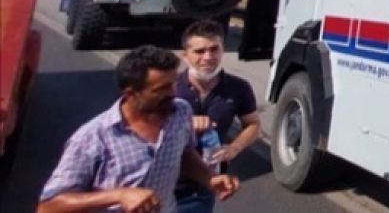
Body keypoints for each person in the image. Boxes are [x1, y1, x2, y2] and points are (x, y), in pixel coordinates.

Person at [38, 45, 239, 213]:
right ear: (130, 93)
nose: (172, 93)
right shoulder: (93, 137)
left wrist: (210, 178)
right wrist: (119, 195)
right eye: (160, 89)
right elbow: (49, 206)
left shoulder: (180, 111)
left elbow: (184, 153)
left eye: (173, 84)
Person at [173, 20, 261, 212]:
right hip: (166, 181)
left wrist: (235, 148)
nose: (208, 57)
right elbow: (142, 128)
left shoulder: (239, 87)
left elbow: (253, 124)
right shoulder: (169, 87)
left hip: (203, 187)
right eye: (199, 51)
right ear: (185, 55)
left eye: (214, 49)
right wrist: (185, 123)